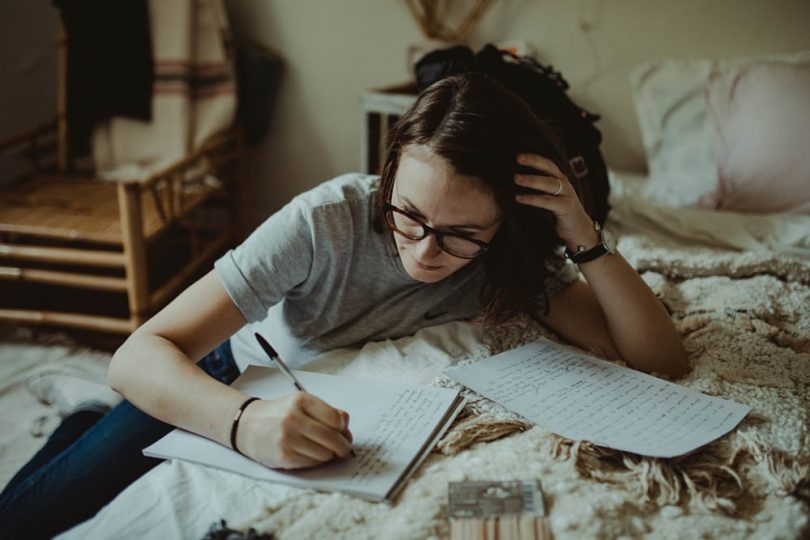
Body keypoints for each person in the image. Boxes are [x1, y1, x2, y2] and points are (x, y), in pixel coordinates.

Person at [0, 72, 688, 538]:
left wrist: (583, 236)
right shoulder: (323, 221)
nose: (423, 250)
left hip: (326, 401)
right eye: (407, 216)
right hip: (226, 374)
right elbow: (136, 355)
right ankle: (87, 421)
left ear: (505, 223)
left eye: (459, 236)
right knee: (30, 520)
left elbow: (656, 357)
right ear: (387, 180)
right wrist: (244, 423)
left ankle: (83, 426)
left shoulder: (512, 261)